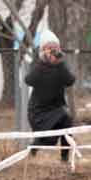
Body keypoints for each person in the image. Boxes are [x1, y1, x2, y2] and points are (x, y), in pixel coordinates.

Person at [24, 30, 75, 162]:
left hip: (56, 109)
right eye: (49, 48)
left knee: (67, 122)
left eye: (55, 47)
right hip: (38, 111)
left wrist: (59, 63)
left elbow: (70, 81)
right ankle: (33, 149)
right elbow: (29, 80)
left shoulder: (60, 65)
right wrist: (43, 62)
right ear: (43, 49)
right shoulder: (37, 64)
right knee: (48, 140)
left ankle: (64, 158)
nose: (53, 50)